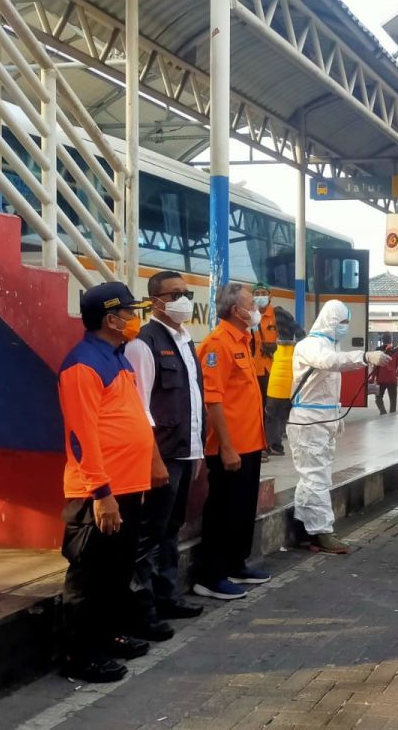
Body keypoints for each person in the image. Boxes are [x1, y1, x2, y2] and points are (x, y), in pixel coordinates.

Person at [57, 282, 154, 682]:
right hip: (98, 494)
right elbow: (82, 436)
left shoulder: (118, 357)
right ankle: (79, 656)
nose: (135, 319)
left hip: (127, 489)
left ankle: (110, 636)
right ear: (112, 319)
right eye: (130, 313)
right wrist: (101, 493)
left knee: (115, 571)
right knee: (89, 576)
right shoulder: (82, 364)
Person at [123, 271, 206, 639]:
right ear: (155, 300)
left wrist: (199, 451)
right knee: (149, 533)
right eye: (174, 295)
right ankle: (142, 610)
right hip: (163, 455)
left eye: (185, 293)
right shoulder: (144, 343)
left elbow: (194, 401)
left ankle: (166, 596)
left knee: (171, 528)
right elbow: (140, 408)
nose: (182, 300)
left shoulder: (186, 341)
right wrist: (154, 459)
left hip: (186, 453)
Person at [290, 300, 389, 554]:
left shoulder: (331, 345)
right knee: (316, 478)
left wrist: (335, 418)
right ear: (330, 321)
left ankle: (303, 528)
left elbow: (327, 390)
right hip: (308, 424)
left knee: (311, 479)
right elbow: (330, 362)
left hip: (323, 422)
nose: (345, 327)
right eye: (342, 322)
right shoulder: (310, 346)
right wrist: (365, 357)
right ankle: (323, 533)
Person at [193, 283, 269, 600]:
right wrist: (225, 446)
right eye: (252, 303)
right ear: (236, 311)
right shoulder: (217, 345)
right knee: (222, 511)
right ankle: (210, 576)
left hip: (250, 444)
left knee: (241, 510)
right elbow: (213, 401)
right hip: (230, 447)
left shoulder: (244, 340)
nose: (258, 307)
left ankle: (236, 565)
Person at [265, 306, 305, 456]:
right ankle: (274, 443)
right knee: (279, 412)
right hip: (279, 382)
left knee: (271, 412)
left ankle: (271, 444)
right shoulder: (296, 351)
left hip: (272, 377)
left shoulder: (279, 314)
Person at [373, 332, 398, 414]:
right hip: (392, 378)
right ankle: (392, 413)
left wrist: (372, 378)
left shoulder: (378, 350)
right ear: (391, 339)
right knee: (393, 399)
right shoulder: (396, 350)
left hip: (381, 378)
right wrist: (396, 374)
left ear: (382, 340)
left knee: (378, 397)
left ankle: (383, 411)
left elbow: (375, 365)